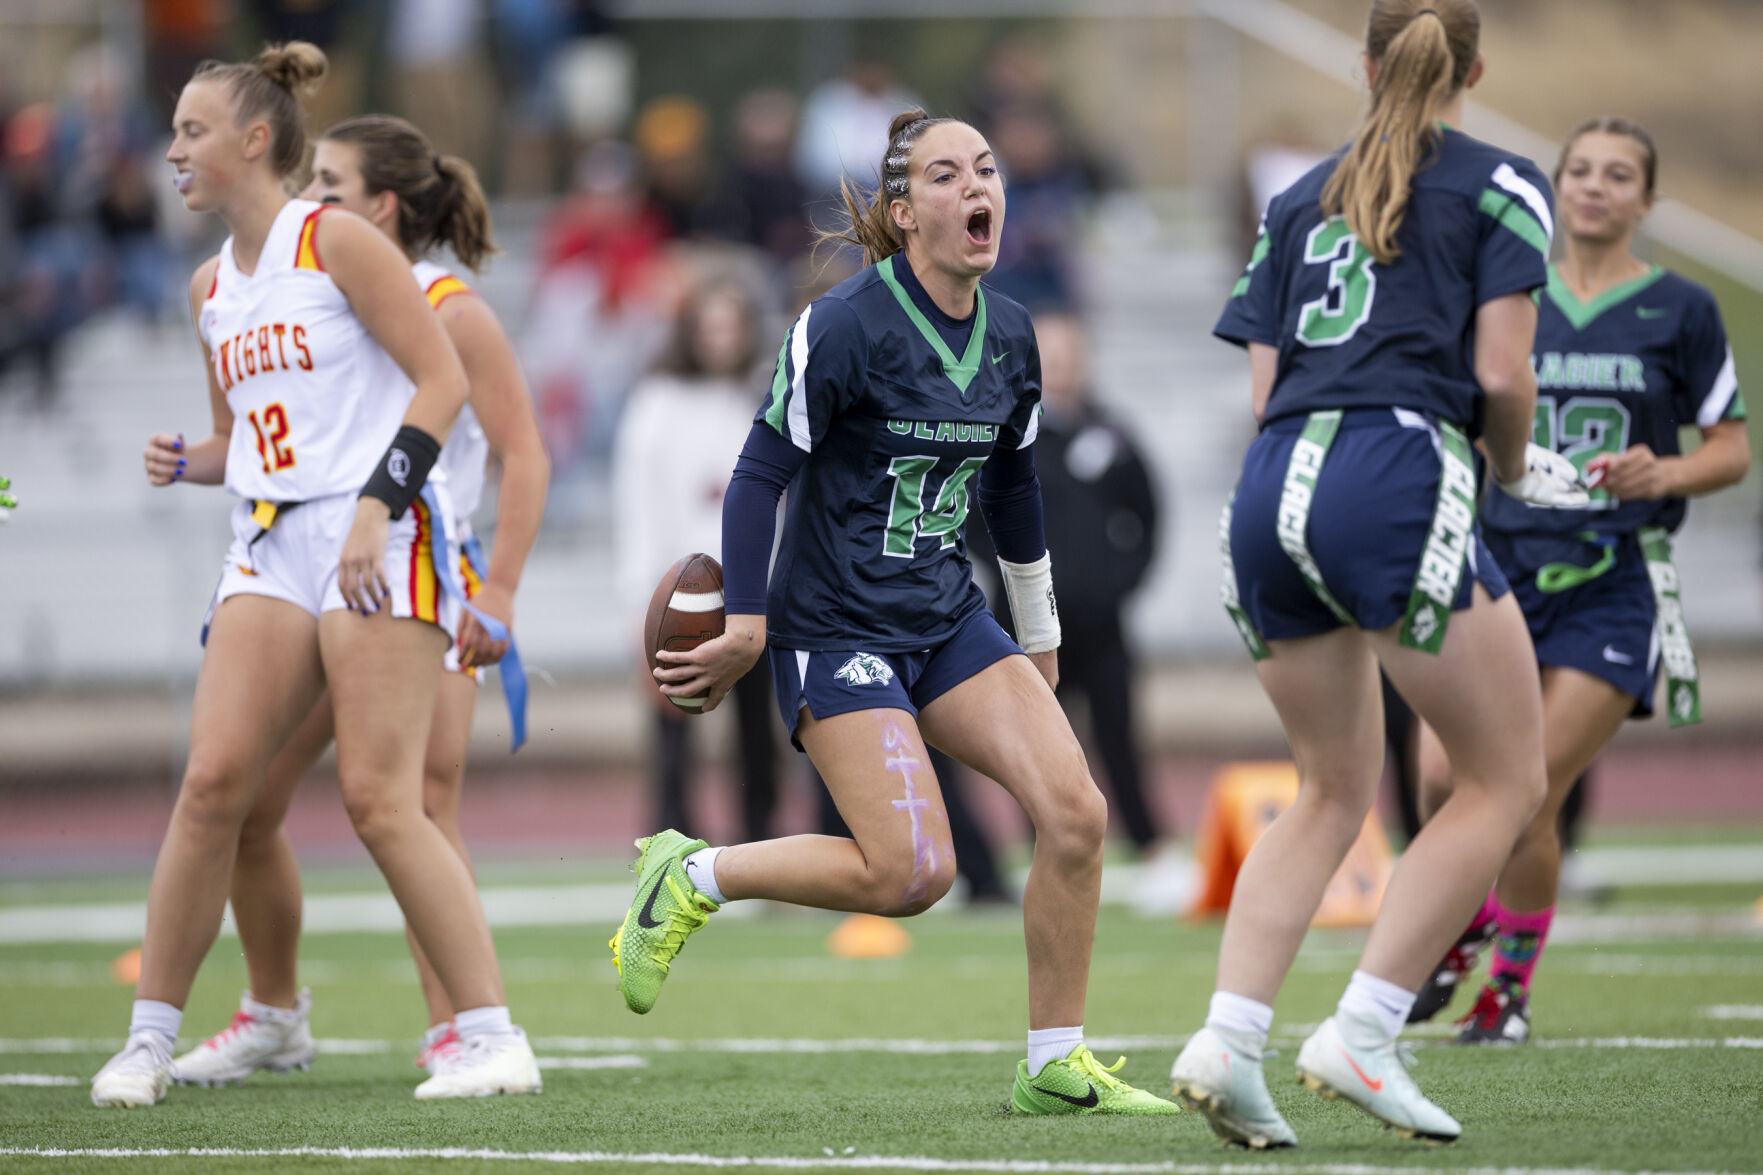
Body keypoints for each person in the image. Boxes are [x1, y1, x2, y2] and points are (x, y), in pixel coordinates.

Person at [618, 110, 1177, 1116]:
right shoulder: (841, 325)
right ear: (901, 209)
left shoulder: (1010, 332)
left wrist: (1037, 632)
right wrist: (746, 620)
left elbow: (1013, 492)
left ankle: (1052, 1056)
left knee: (1075, 814)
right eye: (947, 174)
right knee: (912, 872)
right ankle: (694, 873)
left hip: (947, 614)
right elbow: (754, 479)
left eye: (988, 169)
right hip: (835, 623)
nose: (979, 188)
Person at [1167, 0, 1586, 1146]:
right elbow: (1501, 377)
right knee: (1503, 778)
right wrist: (1504, 469)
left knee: (1327, 786)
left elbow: (1261, 392)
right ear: (1474, 68)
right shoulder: (1499, 181)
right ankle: (1364, 1025)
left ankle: (1226, 1036)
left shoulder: (1296, 193)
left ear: (1362, 64)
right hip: (1392, 470)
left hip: (1268, 486)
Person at [92, 44, 539, 1107]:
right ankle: (150, 1038)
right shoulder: (211, 284)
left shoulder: (334, 237)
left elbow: (438, 383)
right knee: (215, 785)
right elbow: (241, 439)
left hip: (380, 531)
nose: (173, 152)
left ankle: (490, 1035)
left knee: (385, 798)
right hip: (270, 538)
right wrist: (187, 460)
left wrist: (379, 505)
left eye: (191, 132)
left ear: (254, 140)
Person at [1409, 117, 1750, 1044]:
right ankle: (1464, 925)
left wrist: (1666, 472)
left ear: (1647, 200)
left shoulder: (1680, 307)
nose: (1594, 187)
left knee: (1527, 788)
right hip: (1501, 567)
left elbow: (1730, 448)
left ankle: (1499, 986)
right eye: (1580, 171)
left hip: (1612, 579)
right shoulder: (1509, 293)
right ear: (1556, 188)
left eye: (1618, 174)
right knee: (1440, 776)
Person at [972, 312, 1163, 856]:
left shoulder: (1111, 434)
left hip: (1100, 622)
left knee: (1118, 736)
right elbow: (975, 517)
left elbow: (1148, 516)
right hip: (1026, 619)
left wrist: (1117, 583)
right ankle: (1040, 841)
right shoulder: (1004, 432)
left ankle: (1145, 840)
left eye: (1068, 354)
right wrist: (1011, 578)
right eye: (1048, 354)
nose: (1059, 366)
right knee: (1034, 739)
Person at [613, 277, 783, 846]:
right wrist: (641, 608)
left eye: (731, 325)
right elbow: (639, 509)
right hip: (678, 591)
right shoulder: (656, 403)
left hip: (754, 590)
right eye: (709, 325)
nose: (721, 338)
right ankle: (667, 845)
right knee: (673, 726)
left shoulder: (765, 394)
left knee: (759, 727)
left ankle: (759, 839)